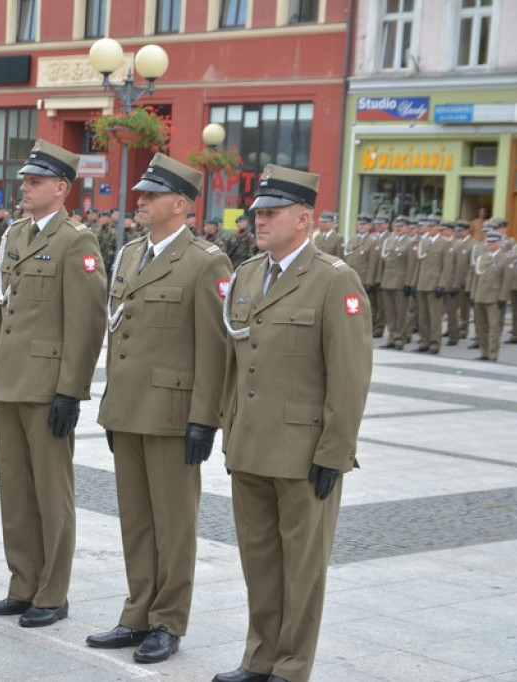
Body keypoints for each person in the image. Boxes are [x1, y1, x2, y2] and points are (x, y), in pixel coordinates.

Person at [215, 164, 372, 682]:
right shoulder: (247, 273)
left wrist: (334, 450)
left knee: (302, 568)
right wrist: (228, 429)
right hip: (252, 446)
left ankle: (291, 666)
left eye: (272, 213)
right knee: (258, 561)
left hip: (304, 452)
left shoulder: (333, 279)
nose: (259, 220)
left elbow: (349, 376)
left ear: (304, 219)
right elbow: (233, 363)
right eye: (258, 212)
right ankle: (258, 657)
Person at [90, 154, 231, 663]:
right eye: (141, 195)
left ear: (181, 204)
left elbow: (214, 348)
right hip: (128, 408)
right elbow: (119, 332)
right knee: (136, 519)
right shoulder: (130, 254)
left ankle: (168, 621)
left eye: (151, 196)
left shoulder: (205, 261)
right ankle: (137, 612)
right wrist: (112, 402)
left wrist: (204, 419)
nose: (141, 202)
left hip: (173, 415)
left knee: (174, 524)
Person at [0, 141, 107, 627]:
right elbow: (1, 311)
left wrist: (71, 390)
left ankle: (52, 592)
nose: (24, 188)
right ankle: (22, 582)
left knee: (52, 494)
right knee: (15, 490)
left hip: (46, 383)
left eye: (34, 182)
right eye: (24, 181)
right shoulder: (16, 236)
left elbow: (87, 322)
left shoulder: (77, 241)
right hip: (9, 381)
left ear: (61, 188)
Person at [414, 215, 450, 354]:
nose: (430, 228)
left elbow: (446, 267)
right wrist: (415, 282)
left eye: (433, 226)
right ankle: (424, 342)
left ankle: (435, 344)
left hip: (435, 284)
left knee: (434, 317)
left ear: (438, 227)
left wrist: (442, 284)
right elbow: (419, 264)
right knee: (423, 316)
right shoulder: (424, 242)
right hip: (422, 283)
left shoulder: (444, 244)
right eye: (428, 226)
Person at [472, 231, 508, 362]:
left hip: (494, 297)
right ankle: (484, 352)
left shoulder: (505, 258)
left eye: (493, 242)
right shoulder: (483, 257)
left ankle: (493, 354)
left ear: (499, 243)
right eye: (489, 242)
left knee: (493, 327)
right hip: (480, 295)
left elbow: (507, 280)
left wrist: (503, 297)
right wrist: (473, 294)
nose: (490, 244)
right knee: (481, 326)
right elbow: (476, 277)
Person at [380, 216, 411, 350]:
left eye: (402, 226)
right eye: (397, 226)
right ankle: (391, 337)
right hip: (387, 280)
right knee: (390, 312)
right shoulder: (389, 241)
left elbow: (411, 265)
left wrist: (409, 283)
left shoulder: (410, 243)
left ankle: (400, 338)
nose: (398, 228)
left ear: (407, 228)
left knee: (400, 313)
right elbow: (384, 261)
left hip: (400, 282)